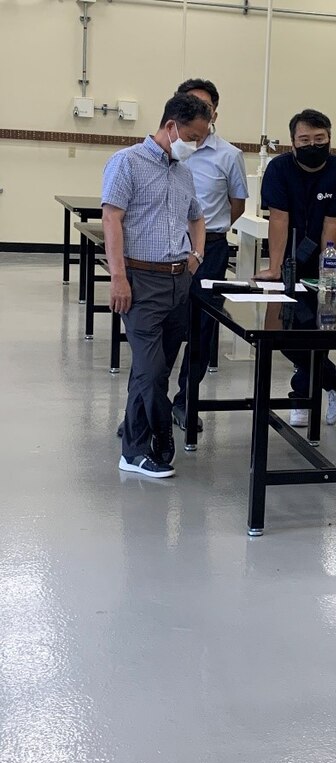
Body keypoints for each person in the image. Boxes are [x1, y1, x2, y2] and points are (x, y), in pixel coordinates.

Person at [102, 93, 210, 478]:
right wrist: (118, 278)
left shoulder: (183, 172)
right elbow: (111, 219)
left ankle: (132, 449)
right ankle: (160, 438)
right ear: (171, 127)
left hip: (178, 281)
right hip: (141, 281)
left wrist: (195, 256)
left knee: (157, 371)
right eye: (194, 136)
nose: (197, 144)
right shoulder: (127, 163)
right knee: (148, 370)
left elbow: (197, 217)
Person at [255, 109, 336, 427]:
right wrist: (274, 268)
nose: (312, 144)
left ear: (329, 138)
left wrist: (328, 267)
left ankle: (302, 396)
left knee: (316, 330)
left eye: (319, 138)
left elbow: (332, 224)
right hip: (286, 262)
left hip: (320, 263)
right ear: (292, 142)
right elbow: (279, 219)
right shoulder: (279, 169)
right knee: (282, 334)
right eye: (305, 139)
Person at [171, 78, 249, 431]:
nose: (196, 113)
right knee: (164, 324)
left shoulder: (229, 156)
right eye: (189, 105)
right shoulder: (167, 149)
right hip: (168, 248)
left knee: (203, 327)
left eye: (203, 107)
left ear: (214, 112)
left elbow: (237, 204)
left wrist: (208, 234)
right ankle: (147, 404)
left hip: (213, 249)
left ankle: (186, 400)